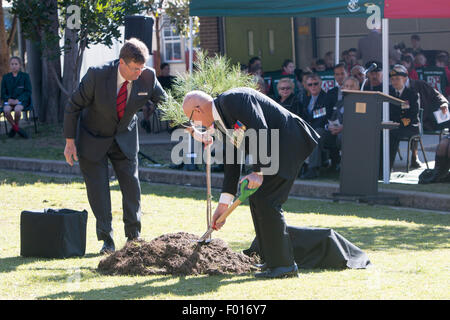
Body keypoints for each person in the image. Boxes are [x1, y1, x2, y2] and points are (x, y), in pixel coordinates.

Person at [182, 88, 319, 279]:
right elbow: (233, 160)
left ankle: (284, 265)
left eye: (191, 119)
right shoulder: (222, 119)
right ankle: (271, 260)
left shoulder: (233, 100)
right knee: (258, 198)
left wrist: (258, 171)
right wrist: (223, 204)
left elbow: (260, 128)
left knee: (267, 200)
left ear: (197, 110)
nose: (194, 124)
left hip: (289, 142)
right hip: (275, 148)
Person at [63, 38, 167, 254]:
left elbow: (166, 104)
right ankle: (107, 240)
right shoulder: (96, 75)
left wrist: (192, 127)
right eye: (135, 68)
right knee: (99, 191)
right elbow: (73, 107)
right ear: (122, 62)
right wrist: (70, 142)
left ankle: (133, 237)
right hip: (92, 138)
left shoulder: (147, 77)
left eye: (142, 67)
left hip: (124, 139)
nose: (139, 72)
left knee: (131, 188)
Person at [386, 65, 420, 171]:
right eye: (392, 79)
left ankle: (388, 166)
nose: (394, 82)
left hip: (409, 126)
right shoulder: (389, 93)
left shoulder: (412, 94)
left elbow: (413, 115)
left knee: (392, 135)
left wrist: (399, 124)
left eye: (397, 79)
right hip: (392, 125)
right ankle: (379, 163)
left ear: (405, 79)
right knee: (381, 133)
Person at [323, 76, 361, 170]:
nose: (349, 88)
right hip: (336, 131)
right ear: (342, 88)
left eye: (352, 86)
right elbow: (332, 118)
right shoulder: (339, 103)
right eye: (347, 86)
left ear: (358, 89)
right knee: (319, 134)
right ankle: (317, 166)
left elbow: (360, 122)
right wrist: (330, 127)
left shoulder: (361, 103)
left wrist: (343, 128)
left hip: (351, 133)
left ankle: (346, 166)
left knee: (342, 136)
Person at [299, 73, 328, 179]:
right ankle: (299, 167)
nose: (313, 87)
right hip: (309, 127)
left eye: (315, 84)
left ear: (321, 84)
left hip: (322, 128)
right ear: (306, 86)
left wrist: (309, 129)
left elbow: (323, 118)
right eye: (310, 84)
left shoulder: (326, 98)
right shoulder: (305, 99)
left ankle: (313, 169)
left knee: (314, 135)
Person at [1, 56, 32, 139]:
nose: (14, 66)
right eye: (12, 64)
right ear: (9, 65)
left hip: (21, 101)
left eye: (16, 64)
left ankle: (14, 128)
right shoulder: (5, 77)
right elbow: (3, 93)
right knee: (6, 110)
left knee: (17, 110)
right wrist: (8, 99)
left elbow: (28, 91)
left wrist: (18, 100)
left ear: (20, 65)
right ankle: (17, 128)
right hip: (9, 101)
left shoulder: (25, 76)